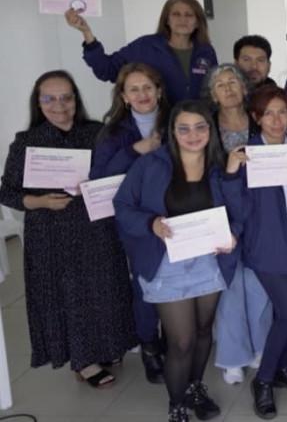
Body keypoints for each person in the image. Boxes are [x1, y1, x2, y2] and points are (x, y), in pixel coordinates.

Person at [1, 69, 136, 390]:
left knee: (104, 289)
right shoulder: (26, 142)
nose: (59, 105)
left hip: (97, 228)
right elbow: (6, 192)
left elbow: (122, 175)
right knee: (70, 297)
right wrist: (40, 201)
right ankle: (83, 361)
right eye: (49, 98)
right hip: (51, 234)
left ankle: (106, 346)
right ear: (38, 102)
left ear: (76, 99)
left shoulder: (98, 133)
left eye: (66, 97)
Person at [113, 99, 241, 422]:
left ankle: (196, 387)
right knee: (181, 340)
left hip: (209, 261)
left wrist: (233, 234)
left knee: (202, 332)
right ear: (172, 132)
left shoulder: (219, 165)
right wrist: (151, 224)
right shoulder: (152, 165)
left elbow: (239, 209)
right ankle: (176, 404)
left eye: (200, 127)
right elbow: (123, 205)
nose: (193, 134)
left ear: (210, 130)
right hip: (166, 263)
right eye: (183, 128)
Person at [227, 86, 287, 418]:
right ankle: (263, 380)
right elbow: (234, 205)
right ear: (256, 118)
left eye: (282, 111)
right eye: (269, 113)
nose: (277, 119)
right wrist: (232, 171)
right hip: (267, 244)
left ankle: (280, 370)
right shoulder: (246, 154)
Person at [89, 63, 169, 385]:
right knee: (145, 283)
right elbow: (98, 179)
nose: (142, 95)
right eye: (134, 89)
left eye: (148, 87)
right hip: (137, 222)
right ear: (123, 96)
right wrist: (137, 149)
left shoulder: (177, 119)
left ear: (159, 91)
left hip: (176, 215)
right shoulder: (112, 132)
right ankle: (149, 345)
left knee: (175, 282)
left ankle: (172, 342)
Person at [202, 64, 273, 386]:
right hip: (222, 216)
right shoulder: (206, 129)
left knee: (260, 287)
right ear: (212, 95)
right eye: (220, 84)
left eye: (233, 82)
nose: (228, 88)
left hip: (261, 215)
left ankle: (260, 347)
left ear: (245, 89)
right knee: (230, 288)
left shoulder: (261, 121)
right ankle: (233, 357)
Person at [67, 0, 216, 103]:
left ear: (197, 22)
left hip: (195, 128)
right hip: (157, 127)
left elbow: (214, 90)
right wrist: (87, 33)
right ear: (167, 20)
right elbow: (107, 70)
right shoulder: (145, 46)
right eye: (176, 14)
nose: (182, 20)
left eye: (189, 15)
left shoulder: (206, 51)